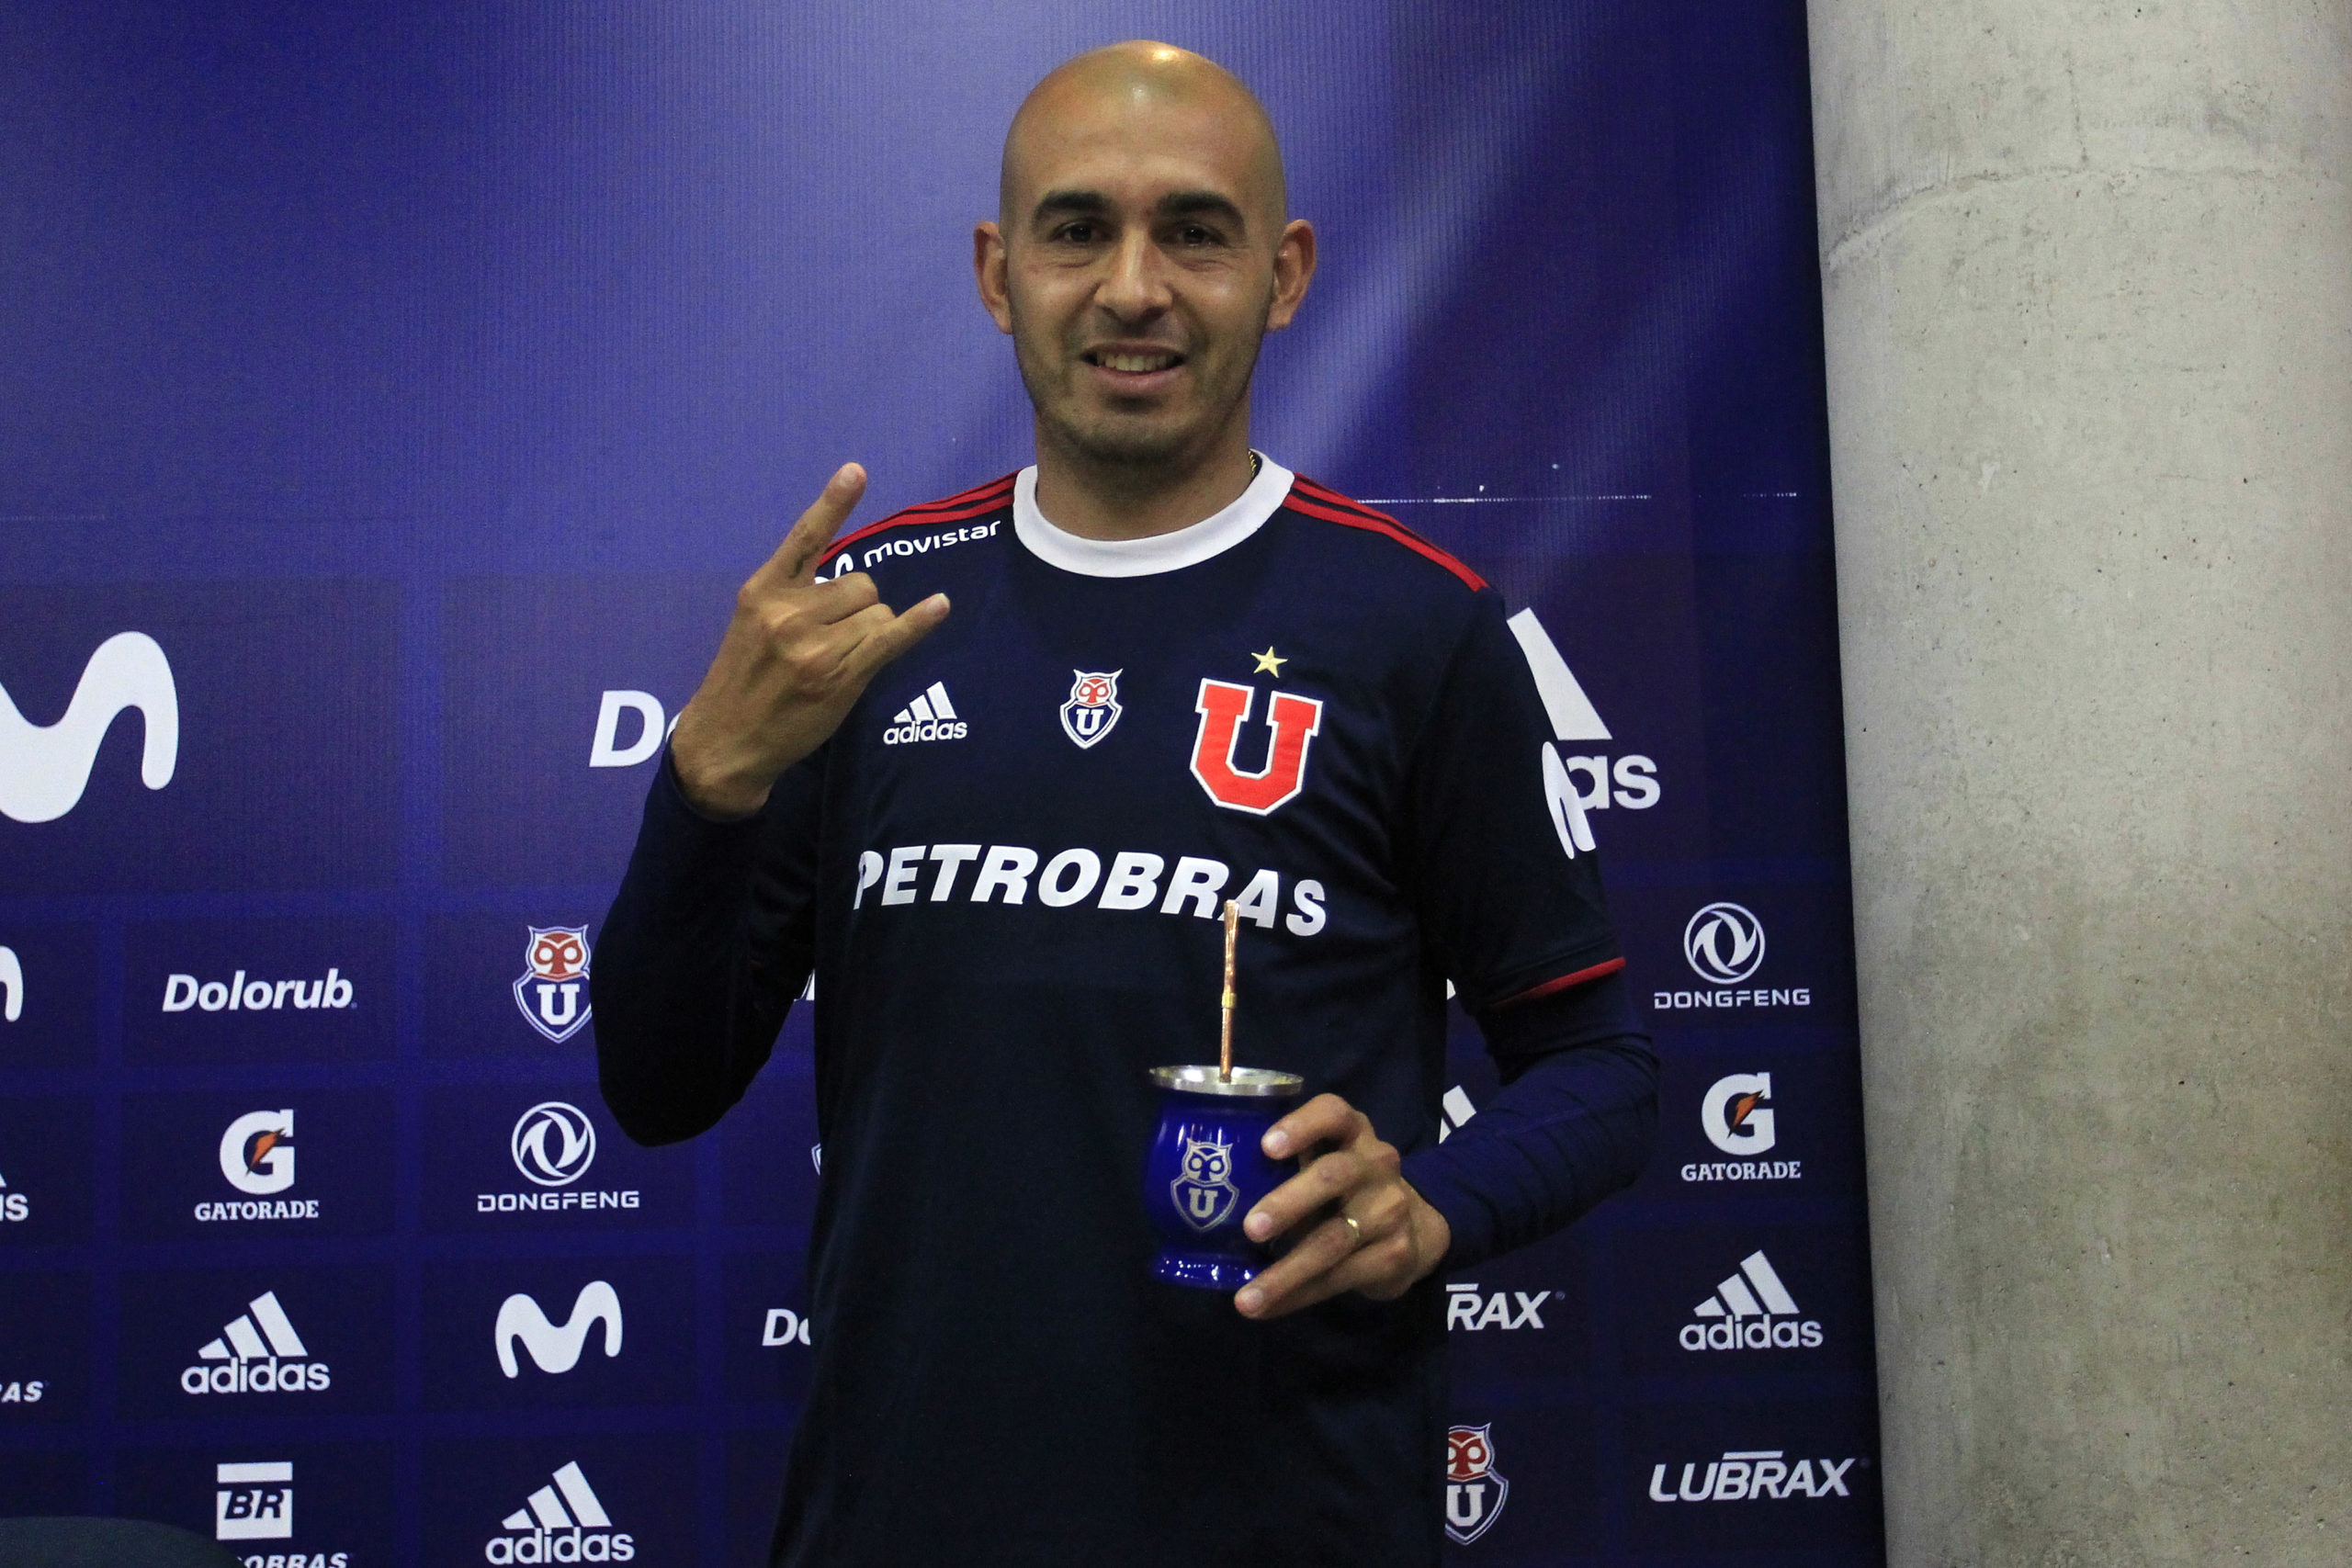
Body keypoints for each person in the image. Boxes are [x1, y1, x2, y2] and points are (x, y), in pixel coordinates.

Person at [592, 40, 1657, 1566]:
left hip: (1291, 1524)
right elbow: (659, 1085)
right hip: (899, 1522)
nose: (1134, 288)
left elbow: (1600, 1065)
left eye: (1196, 233)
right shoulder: (866, 616)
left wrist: (1434, 1204)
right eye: (1078, 230)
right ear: (998, 273)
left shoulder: (1417, 626)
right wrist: (708, 783)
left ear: (1286, 274)